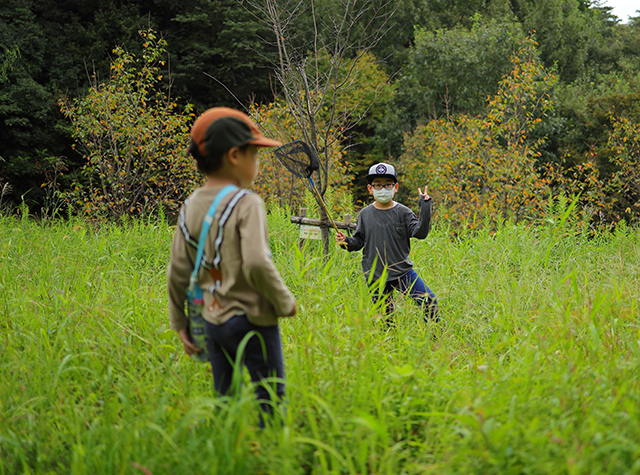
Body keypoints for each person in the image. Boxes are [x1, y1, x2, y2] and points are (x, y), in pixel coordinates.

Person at [167, 107, 297, 424]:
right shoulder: (247, 202)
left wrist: (179, 322)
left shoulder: (189, 206)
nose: (258, 163)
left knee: (225, 396)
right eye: (255, 154)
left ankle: (227, 442)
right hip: (254, 320)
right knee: (270, 397)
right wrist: (284, 301)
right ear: (235, 155)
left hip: (212, 320)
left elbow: (177, 272)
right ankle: (272, 446)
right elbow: (255, 262)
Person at [335, 162, 439, 325]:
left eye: (387, 185)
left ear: (395, 187)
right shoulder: (365, 214)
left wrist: (425, 208)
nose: (382, 189)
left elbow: (420, 233)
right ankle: (391, 348)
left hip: (402, 272)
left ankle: (433, 339)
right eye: (377, 185)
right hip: (376, 275)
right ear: (370, 189)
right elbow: (359, 241)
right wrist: (345, 242)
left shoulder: (403, 212)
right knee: (386, 320)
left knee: (429, 302)